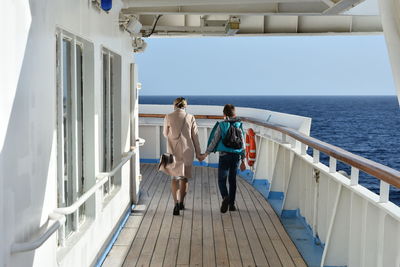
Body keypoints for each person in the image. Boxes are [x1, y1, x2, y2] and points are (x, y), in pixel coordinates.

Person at [200, 104, 246, 213]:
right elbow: (243, 144)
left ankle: (225, 197)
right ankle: (232, 205)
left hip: (224, 156)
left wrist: (206, 153)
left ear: (224, 115)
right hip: (236, 157)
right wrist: (243, 160)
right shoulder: (239, 125)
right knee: (232, 180)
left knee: (222, 180)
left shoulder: (222, 125)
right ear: (235, 114)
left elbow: (214, 141)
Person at [163, 97, 202, 215]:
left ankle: (175, 204)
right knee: (184, 178)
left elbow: (165, 134)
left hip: (172, 152)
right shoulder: (190, 117)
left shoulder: (168, 116)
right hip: (187, 152)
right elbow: (195, 137)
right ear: (185, 106)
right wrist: (199, 153)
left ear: (174, 105)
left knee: (174, 179)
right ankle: (181, 202)